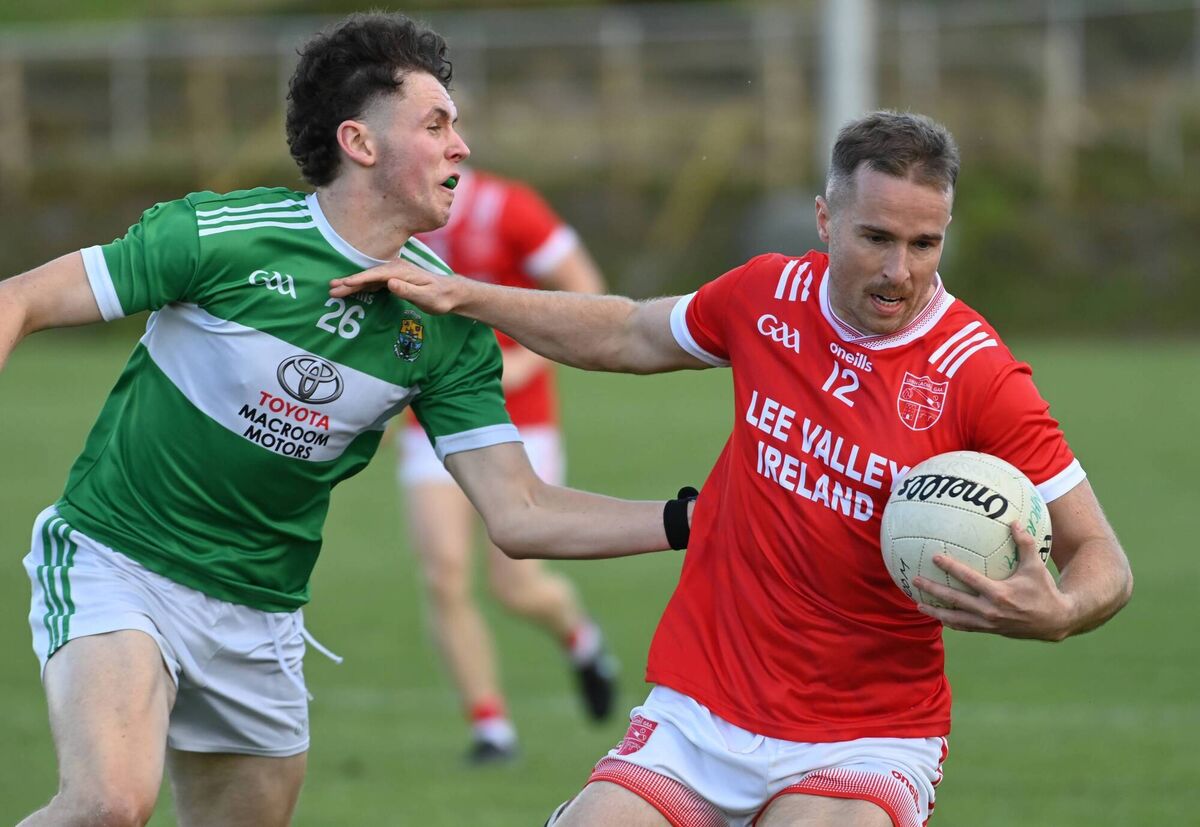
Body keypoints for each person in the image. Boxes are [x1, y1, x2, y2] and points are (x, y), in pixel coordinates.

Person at [329, 110, 1134, 827]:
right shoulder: (767, 296)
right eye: (877, 238)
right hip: (702, 710)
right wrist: (467, 295)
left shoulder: (977, 372)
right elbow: (627, 333)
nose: (900, 271)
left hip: (863, 736)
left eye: (925, 243)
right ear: (826, 220)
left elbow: (1103, 558)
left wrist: (1061, 609)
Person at [0, 13, 690, 826]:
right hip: (119, 561)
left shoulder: (444, 323)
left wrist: (693, 519)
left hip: (261, 611)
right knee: (109, 803)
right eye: (436, 124)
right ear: (361, 143)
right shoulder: (224, 238)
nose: (460, 147)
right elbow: (20, 299)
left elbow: (521, 511)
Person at [400, 166, 616, 763]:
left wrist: (522, 362)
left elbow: (588, 293)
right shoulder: (386, 215)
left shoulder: (508, 209)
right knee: (442, 573)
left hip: (518, 421)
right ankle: (490, 728)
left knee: (515, 584)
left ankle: (580, 636)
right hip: (428, 420)